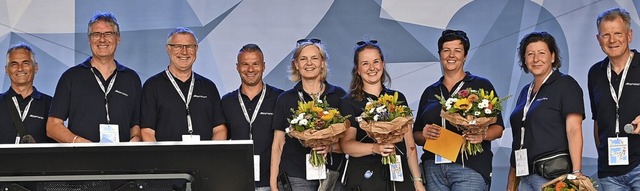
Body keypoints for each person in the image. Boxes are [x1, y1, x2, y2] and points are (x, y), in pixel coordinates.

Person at [413, 29, 505, 191]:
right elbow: (416, 135)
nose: (451, 55)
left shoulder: (480, 85)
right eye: (446, 50)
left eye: (457, 51)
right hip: (434, 168)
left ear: (465, 56)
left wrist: (481, 135)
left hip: (469, 166)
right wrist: (424, 134)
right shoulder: (430, 91)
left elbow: (498, 128)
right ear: (440, 54)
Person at [339, 40, 425, 191]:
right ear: (357, 69)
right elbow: (346, 145)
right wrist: (375, 148)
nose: (372, 68)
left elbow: (409, 145)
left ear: (383, 64)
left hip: (399, 177)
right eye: (365, 63)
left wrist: (417, 181)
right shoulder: (349, 102)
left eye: (376, 62)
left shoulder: (398, 98)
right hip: (365, 178)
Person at [47, 12, 142, 143]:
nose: (102, 39)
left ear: (118, 38)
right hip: (82, 159)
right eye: (96, 34)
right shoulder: (71, 77)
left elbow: (135, 123)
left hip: (121, 159)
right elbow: (52, 126)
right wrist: (80, 143)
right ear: (89, 39)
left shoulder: (132, 79)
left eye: (108, 34)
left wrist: (135, 138)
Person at [507, 31, 584, 190]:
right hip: (525, 176)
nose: (536, 59)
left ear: (553, 57)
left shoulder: (566, 84)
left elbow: (574, 128)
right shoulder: (525, 92)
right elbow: (519, 138)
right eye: (530, 54)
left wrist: (576, 172)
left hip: (552, 176)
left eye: (542, 53)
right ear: (525, 59)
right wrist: (512, 182)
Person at [269, 38, 347, 191]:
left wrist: (330, 147)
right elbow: (278, 144)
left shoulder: (339, 95)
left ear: (322, 62)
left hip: (332, 175)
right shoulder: (285, 99)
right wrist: (273, 185)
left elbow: (348, 140)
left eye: (314, 58)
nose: (309, 63)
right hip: (296, 176)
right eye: (303, 59)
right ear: (296, 65)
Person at [140, 27, 227, 141]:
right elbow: (147, 132)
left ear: (196, 49)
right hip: (167, 158)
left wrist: (211, 157)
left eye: (189, 46)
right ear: (168, 49)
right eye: (178, 46)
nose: (184, 52)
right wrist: (160, 158)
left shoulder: (209, 87)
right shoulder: (152, 86)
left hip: (203, 158)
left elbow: (219, 129)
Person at [589, 7, 640, 189]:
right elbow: (597, 119)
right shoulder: (595, 73)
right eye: (606, 35)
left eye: (618, 33)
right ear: (598, 39)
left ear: (629, 35)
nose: (612, 40)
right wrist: (603, 155)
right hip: (609, 173)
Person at [221, 43, 284, 190]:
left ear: (263, 66)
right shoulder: (226, 101)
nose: (250, 69)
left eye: (255, 64)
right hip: (237, 183)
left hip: (272, 184)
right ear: (237, 67)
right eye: (245, 64)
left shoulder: (280, 98)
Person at [0, 43, 54, 143]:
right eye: (14, 64)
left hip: (36, 159)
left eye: (25, 63)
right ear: (6, 70)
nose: (20, 68)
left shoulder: (50, 104)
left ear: (36, 68)